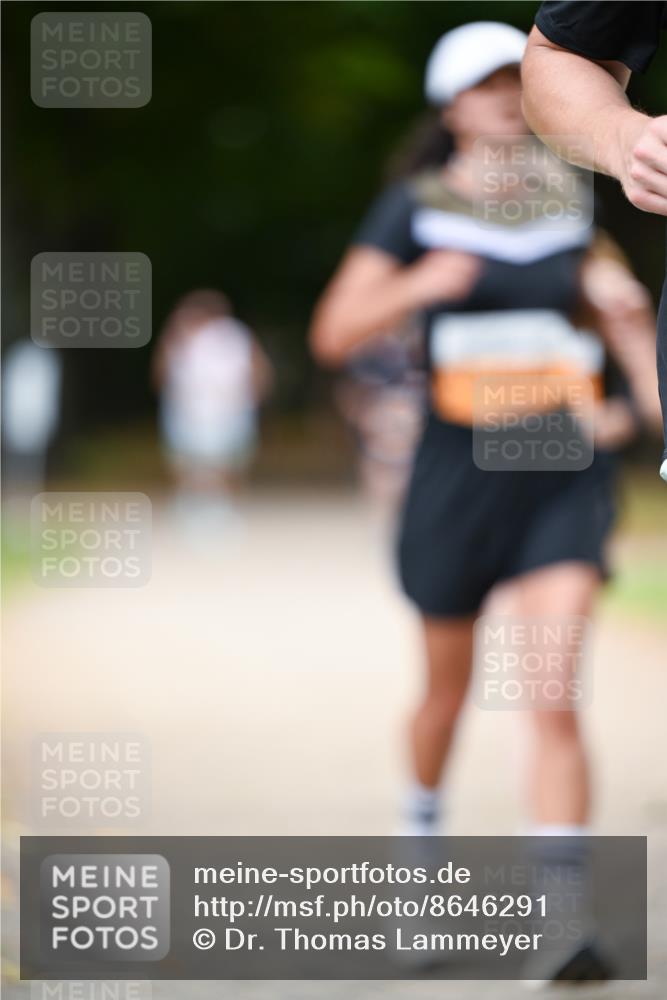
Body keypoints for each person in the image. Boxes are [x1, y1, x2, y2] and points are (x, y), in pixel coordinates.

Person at [310, 21, 661, 983]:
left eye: (519, 82)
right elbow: (334, 331)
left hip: (558, 472)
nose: (509, 99)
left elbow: (620, 321)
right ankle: (417, 872)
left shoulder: (566, 203)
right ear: (451, 106)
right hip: (454, 474)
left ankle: (560, 920)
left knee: (550, 692)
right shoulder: (412, 209)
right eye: (488, 86)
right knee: (446, 694)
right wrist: (420, 282)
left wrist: (639, 401)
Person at [522, 1, 667, 478]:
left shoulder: (564, 204)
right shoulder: (421, 205)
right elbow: (559, 54)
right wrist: (623, 138)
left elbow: (620, 302)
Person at [152, 290, 272, 506]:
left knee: (229, 469)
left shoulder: (235, 335)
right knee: (189, 469)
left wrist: (252, 398)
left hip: (230, 411)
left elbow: (257, 369)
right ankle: (191, 513)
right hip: (188, 413)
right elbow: (162, 375)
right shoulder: (179, 337)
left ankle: (231, 513)